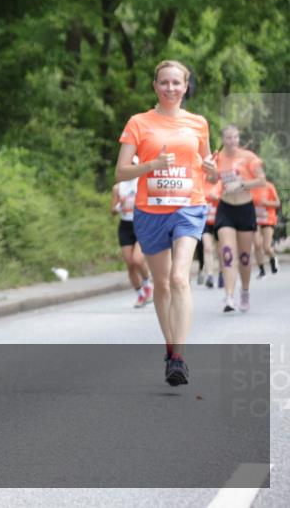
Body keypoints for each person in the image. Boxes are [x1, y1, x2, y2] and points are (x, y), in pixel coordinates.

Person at [116, 60, 215, 387]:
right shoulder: (138, 123)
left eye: (177, 83)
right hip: (150, 211)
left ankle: (179, 357)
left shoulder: (198, 123)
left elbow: (206, 164)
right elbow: (121, 172)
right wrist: (152, 164)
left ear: (186, 86)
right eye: (164, 83)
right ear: (155, 86)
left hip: (189, 206)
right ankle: (169, 346)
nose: (171, 88)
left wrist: (212, 169)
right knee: (161, 284)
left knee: (178, 277)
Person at [212, 126, 266, 313]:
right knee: (227, 252)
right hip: (225, 208)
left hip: (245, 208)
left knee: (244, 257)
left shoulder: (249, 157)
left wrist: (241, 184)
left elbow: (262, 181)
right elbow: (211, 180)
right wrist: (210, 170)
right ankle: (228, 297)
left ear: (239, 139)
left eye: (235, 137)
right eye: (228, 138)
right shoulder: (217, 157)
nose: (232, 141)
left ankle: (244, 291)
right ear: (223, 139)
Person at [110, 161, 153, 307]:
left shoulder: (142, 182)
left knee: (137, 259)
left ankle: (147, 283)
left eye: (133, 165)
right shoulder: (118, 187)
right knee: (130, 264)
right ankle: (140, 294)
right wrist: (118, 206)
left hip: (141, 224)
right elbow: (112, 211)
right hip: (125, 226)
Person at [253, 177, 281, 277]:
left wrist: (267, 203)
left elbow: (277, 203)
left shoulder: (269, 186)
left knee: (266, 247)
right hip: (255, 219)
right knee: (257, 244)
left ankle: (273, 258)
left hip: (268, 219)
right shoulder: (251, 187)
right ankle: (262, 270)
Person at [199, 177, 222, 288]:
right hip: (205, 221)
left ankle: (222, 273)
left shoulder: (220, 183)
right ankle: (210, 276)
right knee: (207, 248)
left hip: (219, 220)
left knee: (220, 249)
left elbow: (229, 200)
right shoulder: (200, 182)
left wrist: (217, 198)